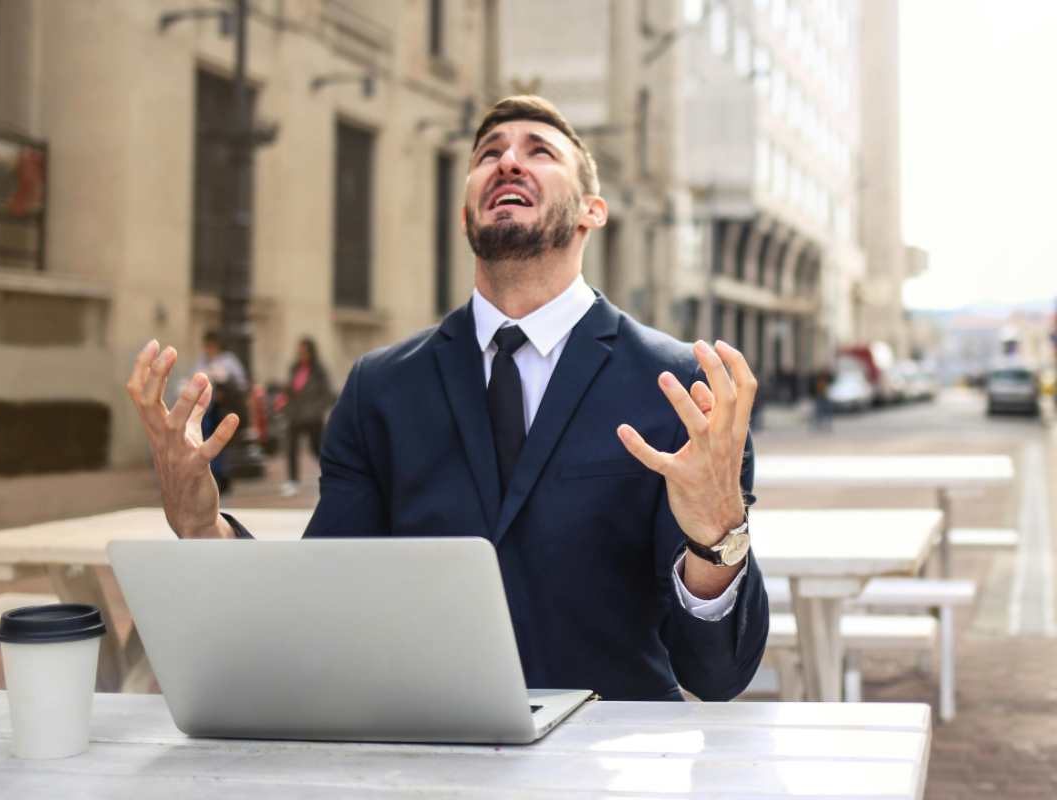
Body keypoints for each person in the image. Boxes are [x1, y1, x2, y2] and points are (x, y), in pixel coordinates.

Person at [127, 96, 768, 701]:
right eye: (489, 153)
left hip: (608, 762)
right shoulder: (380, 388)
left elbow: (716, 673)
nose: (508, 160)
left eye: (538, 151)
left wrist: (717, 532)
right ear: (466, 216)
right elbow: (321, 606)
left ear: (591, 212)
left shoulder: (683, 389)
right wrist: (199, 526)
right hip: (426, 755)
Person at [191, 331, 249, 494]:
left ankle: (221, 476)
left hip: (222, 408)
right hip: (205, 409)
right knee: (205, 441)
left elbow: (240, 382)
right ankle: (209, 475)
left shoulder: (228, 361)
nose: (208, 349)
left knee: (220, 442)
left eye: (211, 345)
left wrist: (223, 380)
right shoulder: (202, 361)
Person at [279, 336, 335, 497]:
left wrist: (316, 410)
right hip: (295, 415)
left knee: (316, 449)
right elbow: (288, 390)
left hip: (312, 417)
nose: (301, 354)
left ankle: (330, 477)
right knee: (291, 448)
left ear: (311, 352)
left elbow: (328, 394)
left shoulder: (319, 371)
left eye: (304, 351)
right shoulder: (295, 368)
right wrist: (286, 406)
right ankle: (292, 481)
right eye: (300, 351)